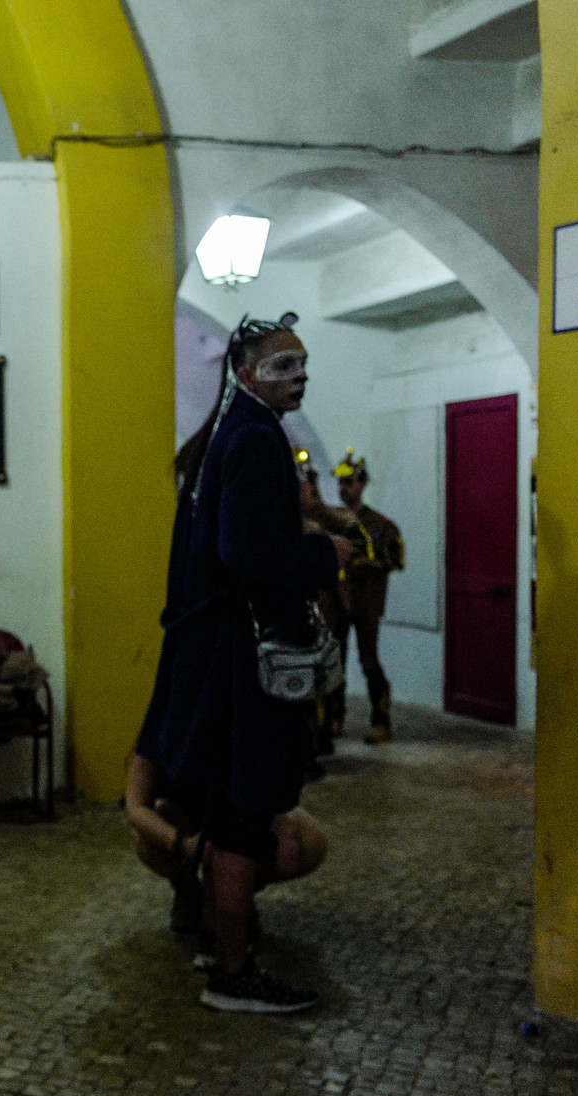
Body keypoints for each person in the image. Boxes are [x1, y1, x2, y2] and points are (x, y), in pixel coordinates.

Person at [135, 312, 352, 1015]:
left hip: (206, 652)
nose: (298, 377)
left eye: (303, 364)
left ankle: (217, 940)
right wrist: (325, 555)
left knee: (228, 806)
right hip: (243, 661)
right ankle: (231, 972)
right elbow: (243, 554)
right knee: (242, 814)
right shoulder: (256, 438)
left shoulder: (217, 439)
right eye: (281, 365)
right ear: (243, 371)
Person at [123, 751, 327, 947]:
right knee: (155, 824)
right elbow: (135, 807)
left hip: (235, 814)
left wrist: (273, 825)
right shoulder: (162, 729)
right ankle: (189, 890)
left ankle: (239, 890)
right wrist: (180, 843)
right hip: (187, 818)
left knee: (307, 843)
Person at [323, 448, 405, 744]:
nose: (343, 489)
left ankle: (381, 721)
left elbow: (394, 561)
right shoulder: (330, 521)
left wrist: (362, 563)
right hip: (334, 601)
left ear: (363, 483)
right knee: (335, 662)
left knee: (369, 661)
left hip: (366, 602)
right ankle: (334, 717)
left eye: (349, 483)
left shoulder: (382, 526)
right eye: (341, 483)